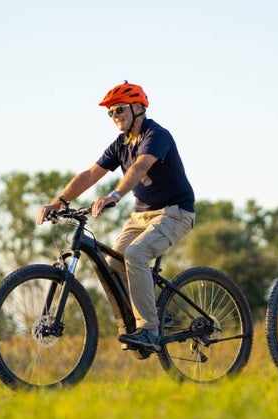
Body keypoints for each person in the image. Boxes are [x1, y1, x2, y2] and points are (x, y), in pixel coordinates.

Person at [36, 81, 195, 352]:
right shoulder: (121, 144)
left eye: (119, 110)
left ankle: (150, 328)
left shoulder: (156, 135)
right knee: (112, 263)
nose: (115, 116)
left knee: (135, 254)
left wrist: (114, 195)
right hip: (142, 216)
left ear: (138, 108)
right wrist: (59, 201)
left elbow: (139, 168)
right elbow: (90, 174)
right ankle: (136, 322)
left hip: (174, 213)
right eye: (110, 113)